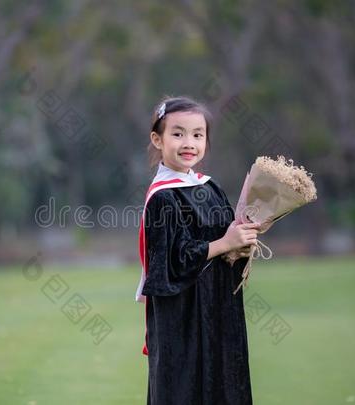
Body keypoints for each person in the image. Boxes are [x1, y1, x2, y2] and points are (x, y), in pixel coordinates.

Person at [135, 96, 260, 404]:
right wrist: (224, 244)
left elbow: (226, 239)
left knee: (223, 385)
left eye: (197, 134)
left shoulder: (209, 187)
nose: (188, 142)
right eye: (177, 134)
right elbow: (171, 263)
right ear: (158, 139)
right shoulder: (163, 198)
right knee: (186, 390)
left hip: (219, 307)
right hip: (184, 316)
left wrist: (241, 245)